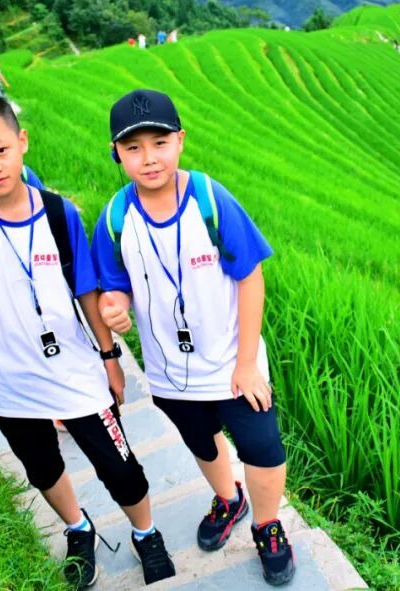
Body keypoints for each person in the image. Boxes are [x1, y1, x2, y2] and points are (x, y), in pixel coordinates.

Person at [0, 94, 176, 589]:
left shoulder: (59, 214)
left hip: (75, 371)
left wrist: (110, 357)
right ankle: (78, 528)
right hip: (9, 380)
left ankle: (145, 532)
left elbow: (87, 291)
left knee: (121, 468)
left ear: (21, 142)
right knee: (42, 469)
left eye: (1, 150)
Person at [91, 90, 295, 586]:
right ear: (117, 154)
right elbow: (113, 285)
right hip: (169, 372)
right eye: (133, 148)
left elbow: (250, 277)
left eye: (159, 143)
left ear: (180, 141)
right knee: (202, 443)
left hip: (232, 363)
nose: (149, 158)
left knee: (262, 447)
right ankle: (229, 499)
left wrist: (246, 363)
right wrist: (114, 307)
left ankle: (268, 526)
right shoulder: (115, 219)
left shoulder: (209, 199)